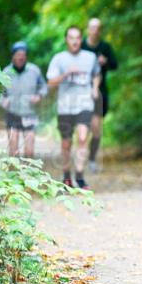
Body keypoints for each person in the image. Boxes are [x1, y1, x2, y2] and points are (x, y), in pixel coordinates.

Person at [47, 26, 100, 189]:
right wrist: (66, 74)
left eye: (77, 38)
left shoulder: (90, 57)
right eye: (71, 38)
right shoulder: (58, 59)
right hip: (65, 106)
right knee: (66, 143)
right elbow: (50, 83)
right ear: (66, 40)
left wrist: (95, 88)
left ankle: (80, 177)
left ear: (81, 40)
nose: (75, 41)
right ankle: (66, 177)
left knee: (83, 138)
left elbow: (97, 74)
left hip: (84, 103)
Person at [81, 17, 118, 172]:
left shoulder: (105, 47)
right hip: (80, 92)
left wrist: (106, 61)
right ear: (87, 29)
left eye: (97, 28)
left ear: (100, 30)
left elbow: (115, 65)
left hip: (99, 92)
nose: (95, 31)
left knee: (96, 129)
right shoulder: (80, 46)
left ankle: (91, 159)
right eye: (92, 28)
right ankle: (80, 158)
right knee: (83, 129)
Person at [0, 41, 47, 158]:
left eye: (23, 55)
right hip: (12, 113)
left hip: (29, 113)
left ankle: (28, 169)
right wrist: (2, 101)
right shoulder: (6, 72)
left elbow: (44, 87)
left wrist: (39, 96)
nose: (21, 57)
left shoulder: (34, 70)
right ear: (13, 56)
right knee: (13, 151)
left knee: (29, 152)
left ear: (26, 57)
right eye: (18, 55)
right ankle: (14, 170)